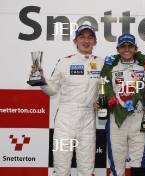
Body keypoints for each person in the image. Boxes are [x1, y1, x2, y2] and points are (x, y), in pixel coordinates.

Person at [31, 24, 104, 176]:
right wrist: (41, 79)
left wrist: (101, 103)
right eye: (82, 37)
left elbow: (105, 91)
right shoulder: (64, 62)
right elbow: (51, 90)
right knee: (61, 166)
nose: (86, 40)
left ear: (95, 42)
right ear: (75, 40)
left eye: (90, 37)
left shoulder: (102, 63)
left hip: (88, 120)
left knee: (86, 168)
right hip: (65, 120)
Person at [98, 33, 145, 176]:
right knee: (117, 163)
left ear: (135, 48)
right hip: (116, 119)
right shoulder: (110, 66)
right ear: (118, 49)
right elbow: (103, 90)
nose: (127, 49)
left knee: (139, 163)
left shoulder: (144, 66)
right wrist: (100, 103)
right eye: (123, 46)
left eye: (130, 46)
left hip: (138, 119)